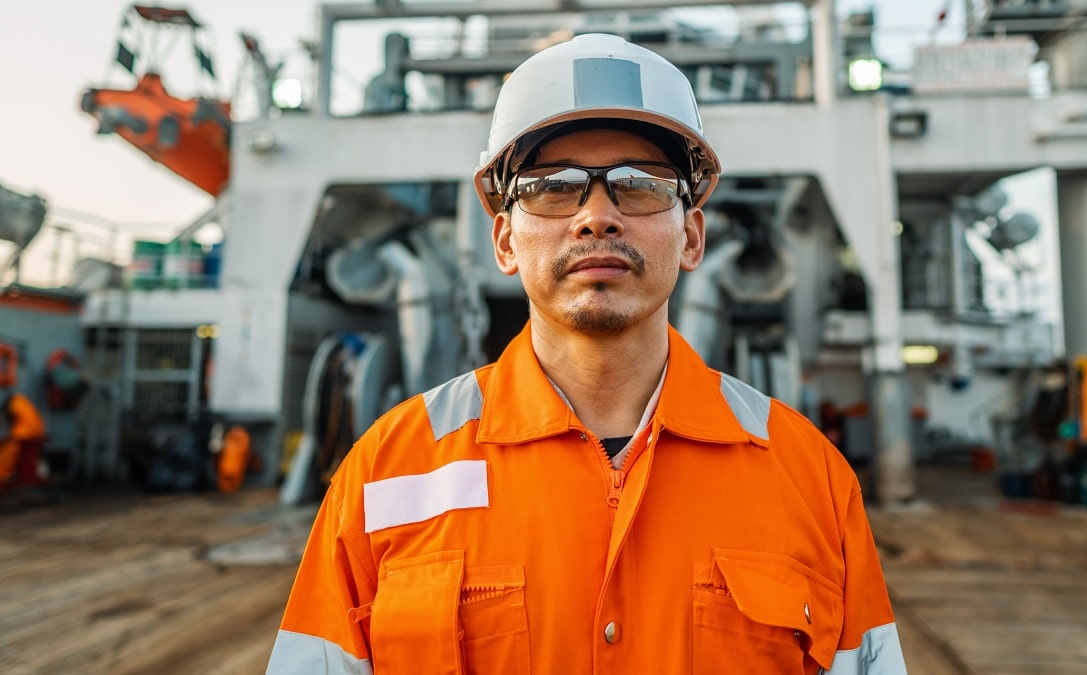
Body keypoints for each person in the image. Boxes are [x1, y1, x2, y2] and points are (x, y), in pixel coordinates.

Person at [268, 33, 905, 674]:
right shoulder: (384, 471)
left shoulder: (811, 480)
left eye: (639, 184)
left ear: (691, 236)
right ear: (506, 241)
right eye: (552, 186)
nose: (596, 217)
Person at [0, 392, 47, 486]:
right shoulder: (20, 402)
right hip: (34, 432)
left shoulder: (16, 404)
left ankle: (4, 475)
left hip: (26, 434)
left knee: (11, 448)